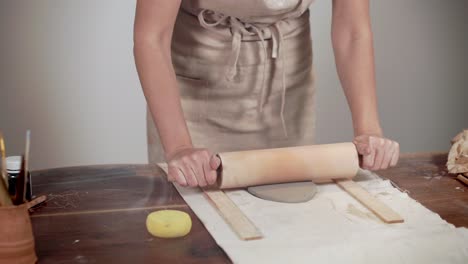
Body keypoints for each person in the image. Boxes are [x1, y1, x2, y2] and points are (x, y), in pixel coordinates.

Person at [133, 0, 400, 188]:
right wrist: (180, 147)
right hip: (196, 90)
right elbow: (152, 37)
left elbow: (353, 31)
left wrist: (369, 129)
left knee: (287, 220)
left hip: (287, 90)